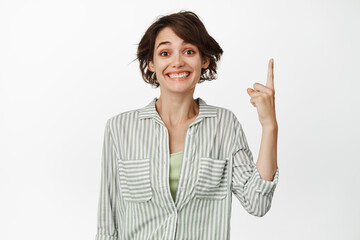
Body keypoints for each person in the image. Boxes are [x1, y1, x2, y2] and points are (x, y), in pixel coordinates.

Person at [95, 10, 279, 240]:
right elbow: (107, 223)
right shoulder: (119, 128)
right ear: (151, 63)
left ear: (204, 60)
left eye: (189, 51)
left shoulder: (224, 125)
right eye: (165, 52)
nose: (177, 61)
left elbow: (258, 202)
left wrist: (269, 125)